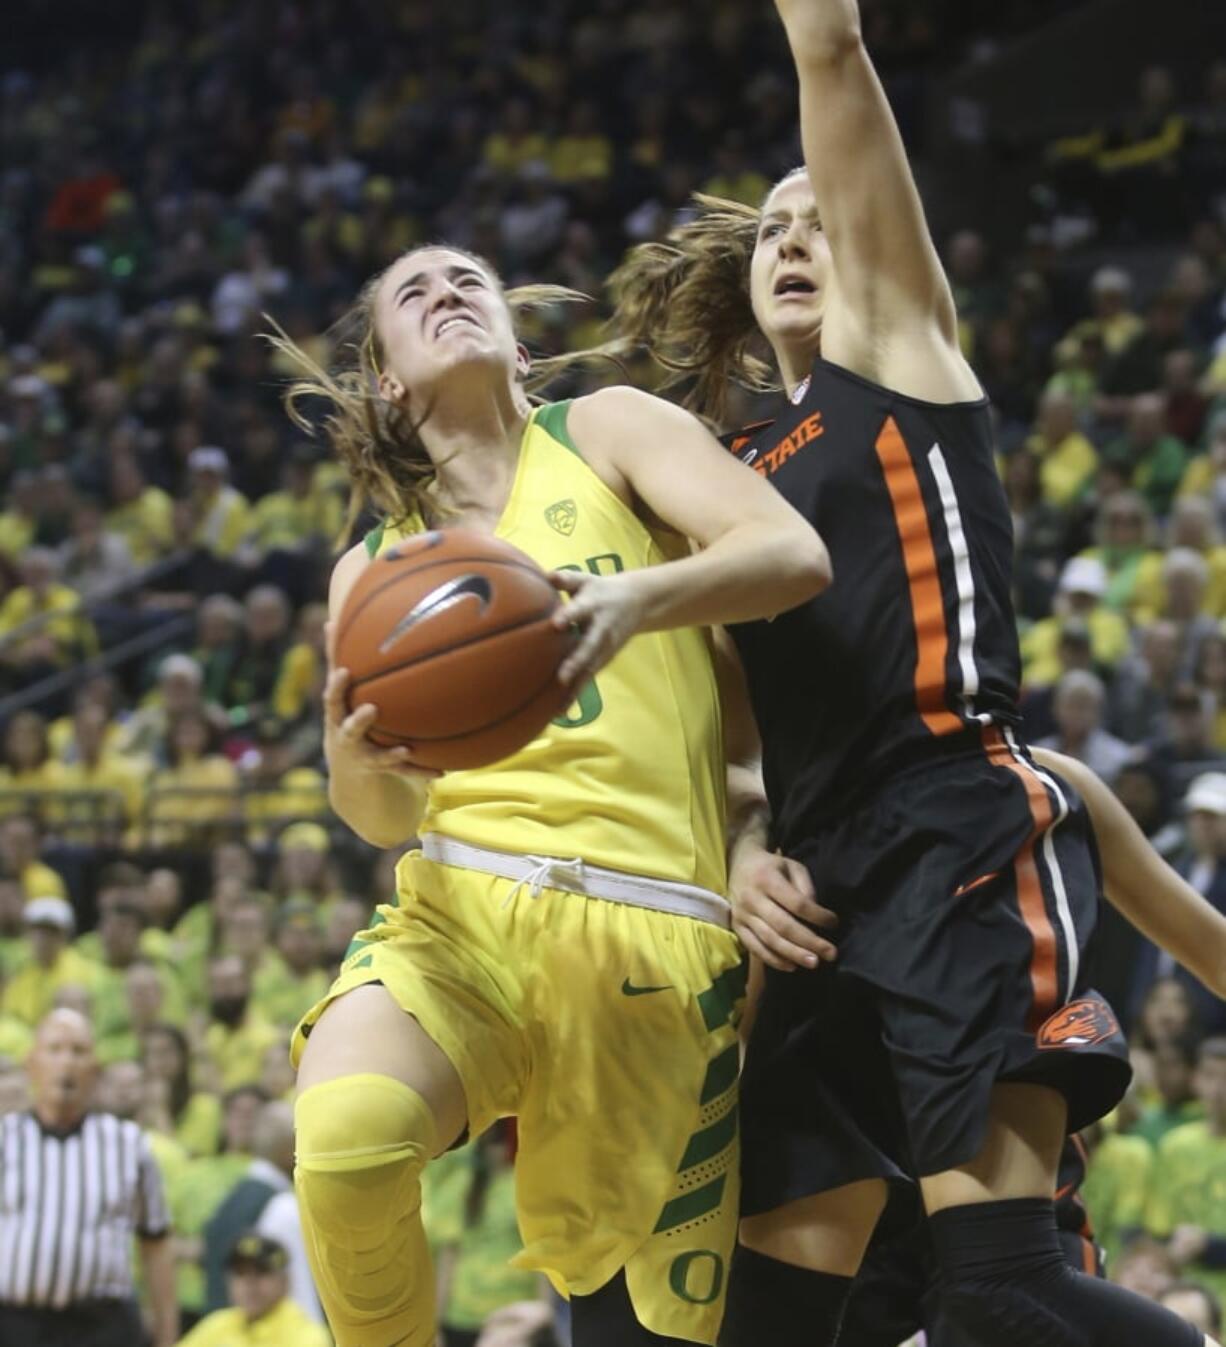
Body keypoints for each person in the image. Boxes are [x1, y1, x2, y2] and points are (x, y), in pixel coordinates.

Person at [608, 3, 1218, 1345]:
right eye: (767, 226)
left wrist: (817, 36)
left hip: (952, 822)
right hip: (821, 880)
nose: (791, 237)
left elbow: (830, 49)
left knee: (995, 1290)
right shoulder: (726, 477)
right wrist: (741, 848)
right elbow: (725, 732)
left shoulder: (897, 362)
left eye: (813, 213)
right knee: (759, 1317)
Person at [274, 238, 829, 1347]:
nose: (445, 291)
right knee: (346, 1139)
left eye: (466, 279)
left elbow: (790, 552)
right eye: (412, 292)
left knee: (636, 1328)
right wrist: (360, 759)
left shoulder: (609, 432)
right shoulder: (375, 570)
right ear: (386, 376)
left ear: (517, 344)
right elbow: (382, 820)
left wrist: (637, 603)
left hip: (649, 936)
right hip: (465, 914)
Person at [0, 1008, 178, 1346]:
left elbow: (156, 1244)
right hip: (13, 1323)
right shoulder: (4, 1138)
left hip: (101, 1326)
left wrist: (166, 1334)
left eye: (78, 1051)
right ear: (32, 1064)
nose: (66, 1063)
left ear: (95, 1070)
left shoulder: (129, 1143)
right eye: (55, 1050)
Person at [173, 1233, 329, 1347]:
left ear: (284, 1281)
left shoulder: (306, 1336)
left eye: (261, 1272)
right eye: (240, 1273)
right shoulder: (218, 1323)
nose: (249, 1283)